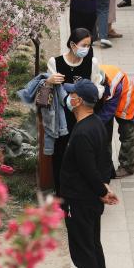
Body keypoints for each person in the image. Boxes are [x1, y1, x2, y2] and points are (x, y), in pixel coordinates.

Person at [59, 79, 119, 268]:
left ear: (79, 101)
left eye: (72, 95)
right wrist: (104, 188)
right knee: (93, 246)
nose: (69, 97)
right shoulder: (96, 124)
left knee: (83, 250)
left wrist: (101, 190)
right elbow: (103, 164)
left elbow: (88, 170)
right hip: (90, 200)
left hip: (79, 200)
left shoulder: (83, 132)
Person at [47, 29, 105, 194]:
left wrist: (92, 96)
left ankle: (85, 189)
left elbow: (98, 85)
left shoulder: (91, 62)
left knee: (84, 153)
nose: (86, 49)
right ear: (72, 45)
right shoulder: (55, 62)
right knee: (61, 154)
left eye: (88, 45)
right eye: (83, 45)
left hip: (84, 115)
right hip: (63, 117)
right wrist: (49, 82)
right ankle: (61, 192)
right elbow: (50, 92)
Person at [98, 63, 134, 178]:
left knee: (127, 133)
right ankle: (106, 165)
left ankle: (127, 166)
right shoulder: (93, 76)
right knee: (105, 132)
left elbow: (108, 112)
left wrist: (94, 124)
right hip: (108, 95)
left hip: (126, 95)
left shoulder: (114, 86)